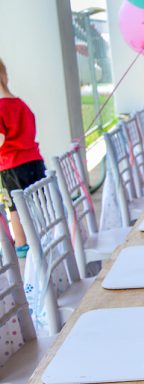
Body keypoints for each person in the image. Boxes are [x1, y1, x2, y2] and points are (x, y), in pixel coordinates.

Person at [0, 58, 46, 258]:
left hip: (11, 167)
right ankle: (45, 236)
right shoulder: (21, 104)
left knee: (15, 209)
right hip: (35, 161)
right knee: (39, 201)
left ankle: (22, 247)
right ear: (6, 77)